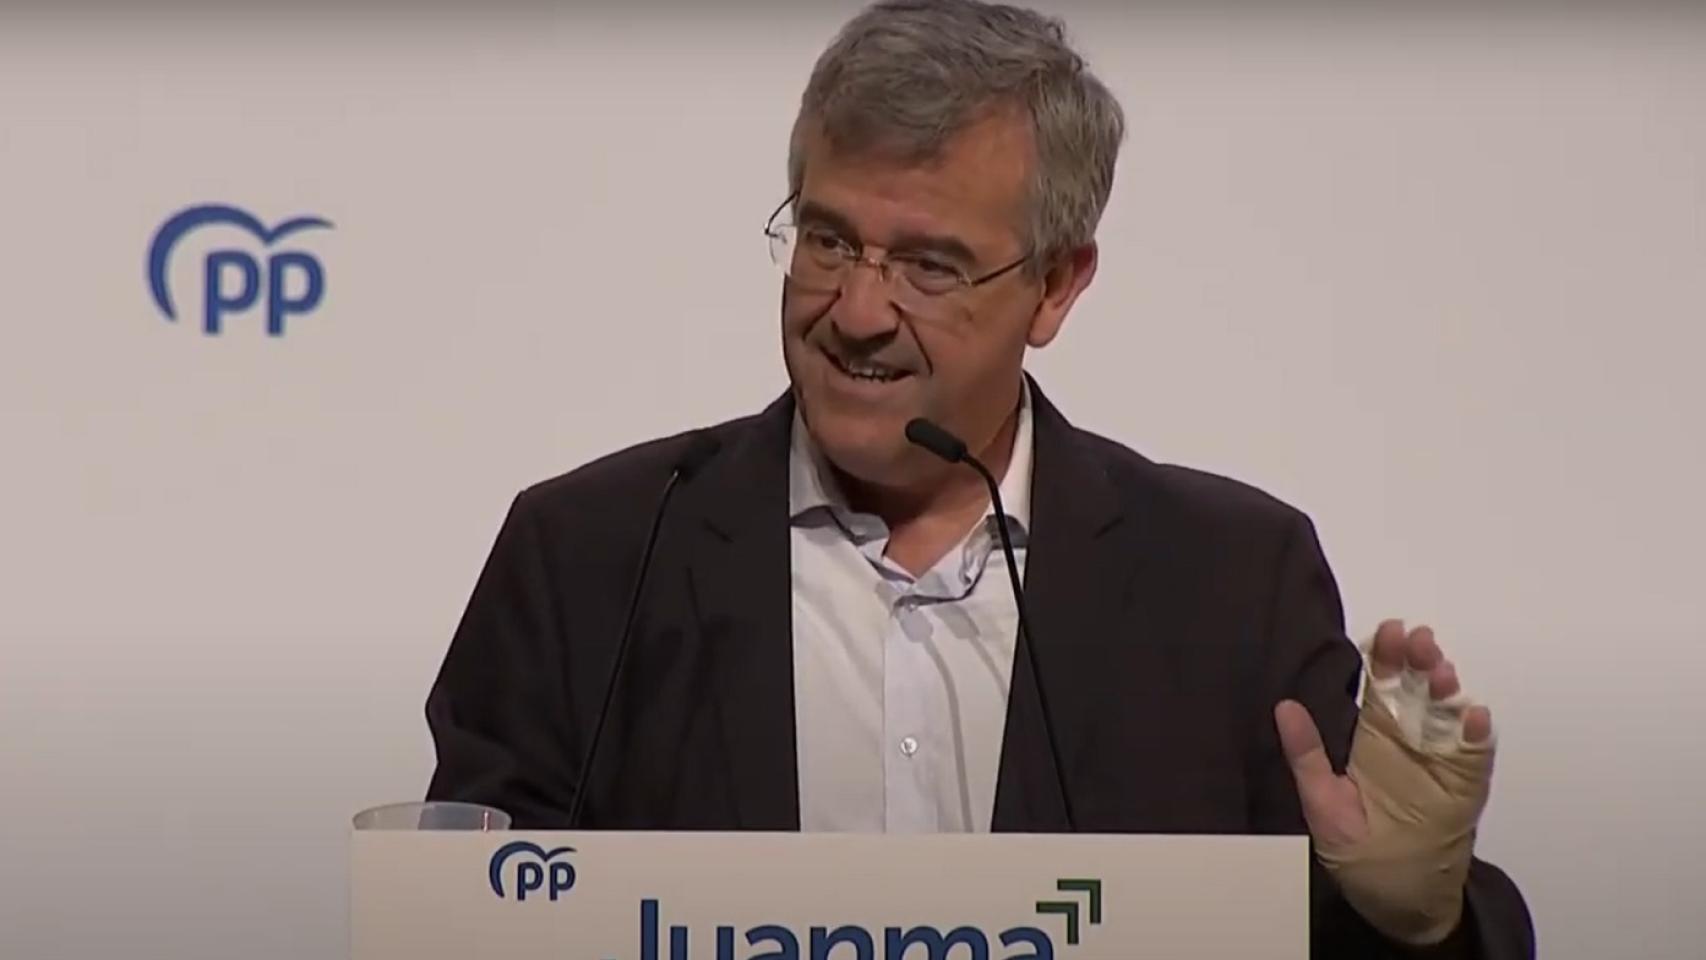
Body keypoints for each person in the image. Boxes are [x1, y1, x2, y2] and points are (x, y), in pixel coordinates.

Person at [424, 1, 1532, 956]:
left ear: (1056, 286)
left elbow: (1334, 931)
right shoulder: (593, 559)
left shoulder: (1231, 586)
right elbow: (461, 927)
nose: (858, 311)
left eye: (928, 264)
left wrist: (1414, 923)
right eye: (827, 240)